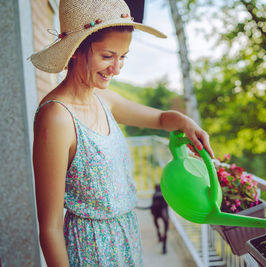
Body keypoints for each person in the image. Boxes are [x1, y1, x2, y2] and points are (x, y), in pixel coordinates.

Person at [30, 0, 214, 266]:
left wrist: (186, 122)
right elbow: (49, 229)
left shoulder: (105, 99)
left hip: (127, 238)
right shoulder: (56, 117)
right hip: (90, 250)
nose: (117, 69)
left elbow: (162, 119)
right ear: (75, 51)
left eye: (123, 56)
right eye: (107, 56)